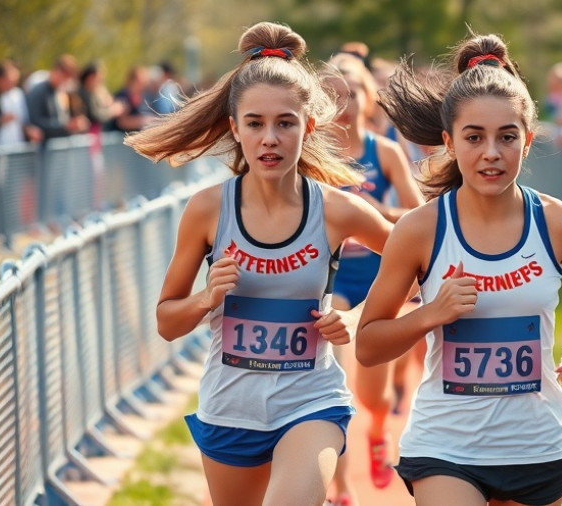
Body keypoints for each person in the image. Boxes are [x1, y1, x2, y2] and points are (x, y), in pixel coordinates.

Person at [356, 32, 562, 506]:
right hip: (444, 446)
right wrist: (430, 313)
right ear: (449, 142)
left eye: (507, 137)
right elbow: (367, 346)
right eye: (474, 137)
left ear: (526, 142)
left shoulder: (561, 223)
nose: (491, 152)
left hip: (535, 446)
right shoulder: (420, 229)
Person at [124, 21, 394, 506]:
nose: (270, 138)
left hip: (311, 403)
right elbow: (166, 322)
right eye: (255, 124)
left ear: (308, 126)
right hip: (231, 411)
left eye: (285, 123)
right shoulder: (208, 210)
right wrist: (206, 298)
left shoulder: (338, 210)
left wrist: (357, 316)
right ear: (235, 128)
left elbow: (417, 263)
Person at [321, 52, 424, 505]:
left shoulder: (384, 152)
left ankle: (379, 432)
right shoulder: (315, 155)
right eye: (333, 97)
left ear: (368, 98)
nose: (343, 106)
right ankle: (341, 487)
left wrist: (376, 212)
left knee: (373, 396)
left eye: (352, 95)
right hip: (332, 281)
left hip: (380, 281)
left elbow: (420, 216)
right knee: (336, 386)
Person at [26, 54, 90, 139]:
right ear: (58, 72)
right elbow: (35, 121)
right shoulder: (39, 92)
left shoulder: (58, 92)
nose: (66, 82)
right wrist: (66, 126)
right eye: (66, 77)